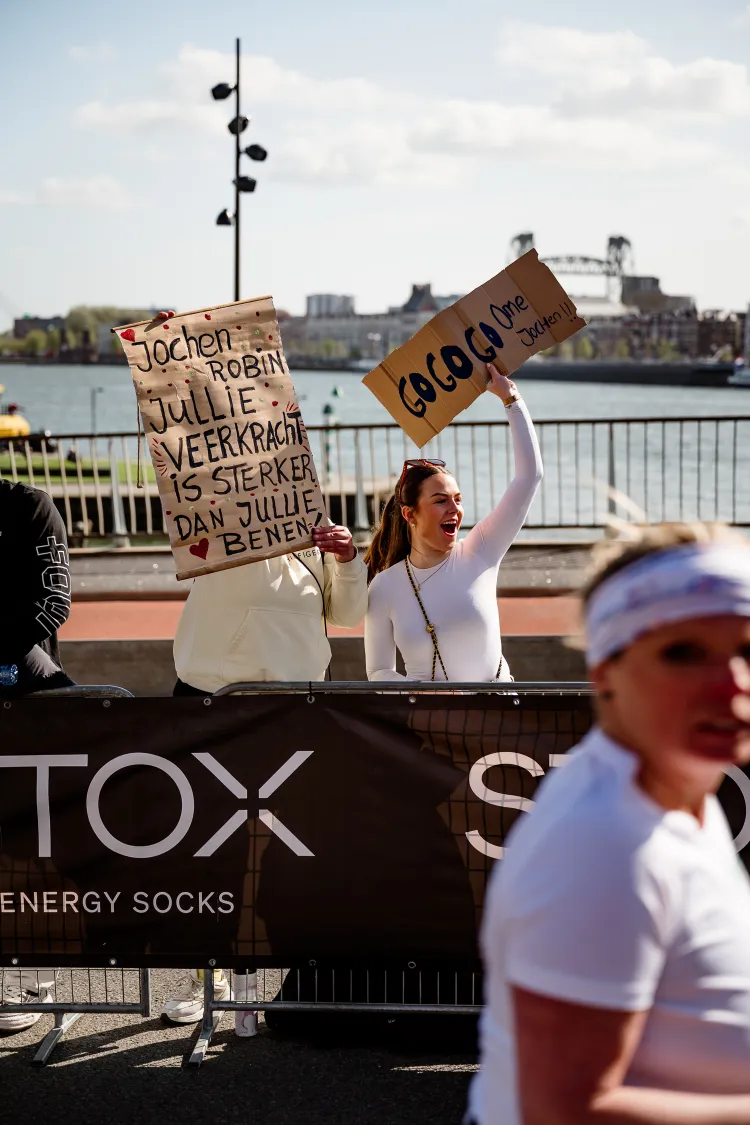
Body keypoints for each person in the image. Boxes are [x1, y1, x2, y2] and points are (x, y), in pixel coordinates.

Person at [468, 522, 750, 1125]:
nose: (733, 685)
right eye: (682, 653)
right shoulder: (604, 843)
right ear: (604, 672)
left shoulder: (676, 791)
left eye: (748, 652)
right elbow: (565, 1112)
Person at [163, 525, 368, 1023]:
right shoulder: (219, 519)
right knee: (211, 845)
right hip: (214, 704)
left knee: (295, 849)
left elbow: (347, 615)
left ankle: (296, 983)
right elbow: (191, 545)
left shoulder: (314, 539)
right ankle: (208, 974)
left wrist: (346, 558)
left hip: (296, 710)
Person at [364, 363, 542, 682]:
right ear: (409, 514)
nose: (455, 510)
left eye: (458, 499)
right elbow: (378, 671)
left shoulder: (481, 551)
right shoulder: (385, 586)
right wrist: (423, 693)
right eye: (440, 500)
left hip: (498, 709)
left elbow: (529, 477)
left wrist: (511, 398)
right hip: (429, 713)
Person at [0, 477, 73, 1032]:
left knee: (33, 842)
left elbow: (53, 603)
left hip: (27, 696)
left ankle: (36, 980)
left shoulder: (30, 506)